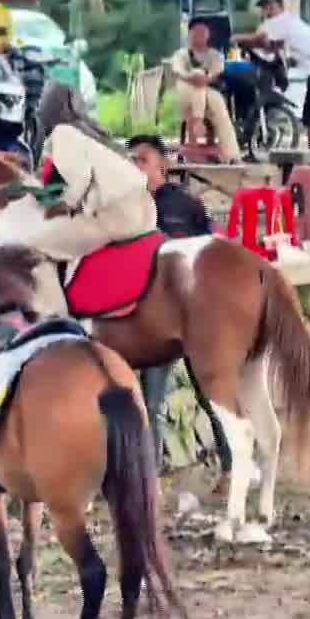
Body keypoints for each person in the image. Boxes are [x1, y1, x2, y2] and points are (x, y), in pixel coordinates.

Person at [14, 84, 157, 316]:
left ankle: (54, 318)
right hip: (145, 209)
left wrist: (62, 205)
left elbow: (78, 180)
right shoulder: (89, 132)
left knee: (32, 247)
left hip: (116, 215)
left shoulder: (63, 132)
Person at [127, 134, 212, 459]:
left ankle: (232, 467)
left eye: (142, 160)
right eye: (131, 160)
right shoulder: (125, 207)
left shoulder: (186, 204)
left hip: (193, 312)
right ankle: (149, 474)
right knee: (151, 400)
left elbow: (209, 247)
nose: (135, 166)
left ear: (162, 165)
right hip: (151, 319)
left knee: (210, 393)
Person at [246, 0, 310, 155]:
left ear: (279, 6)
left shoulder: (281, 21)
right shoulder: (290, 21)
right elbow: (275, 46)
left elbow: (258, 39)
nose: (266, 11)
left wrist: (233, 39)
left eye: (269, 6)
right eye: (265, 8)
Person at [169, 21, 241, 161]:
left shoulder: (215, 55)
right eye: (196, 32)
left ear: (208, 35)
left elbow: (214, 74)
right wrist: (195, 77)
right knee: (198, 79)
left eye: (203, 32)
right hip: (185, 91)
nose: (199, 36)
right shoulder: (180, 54)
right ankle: (198, 123)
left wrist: (202, 78)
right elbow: (179, 73)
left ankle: (231, 155)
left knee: (217, 102)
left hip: (207, 92)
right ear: (189, 34)